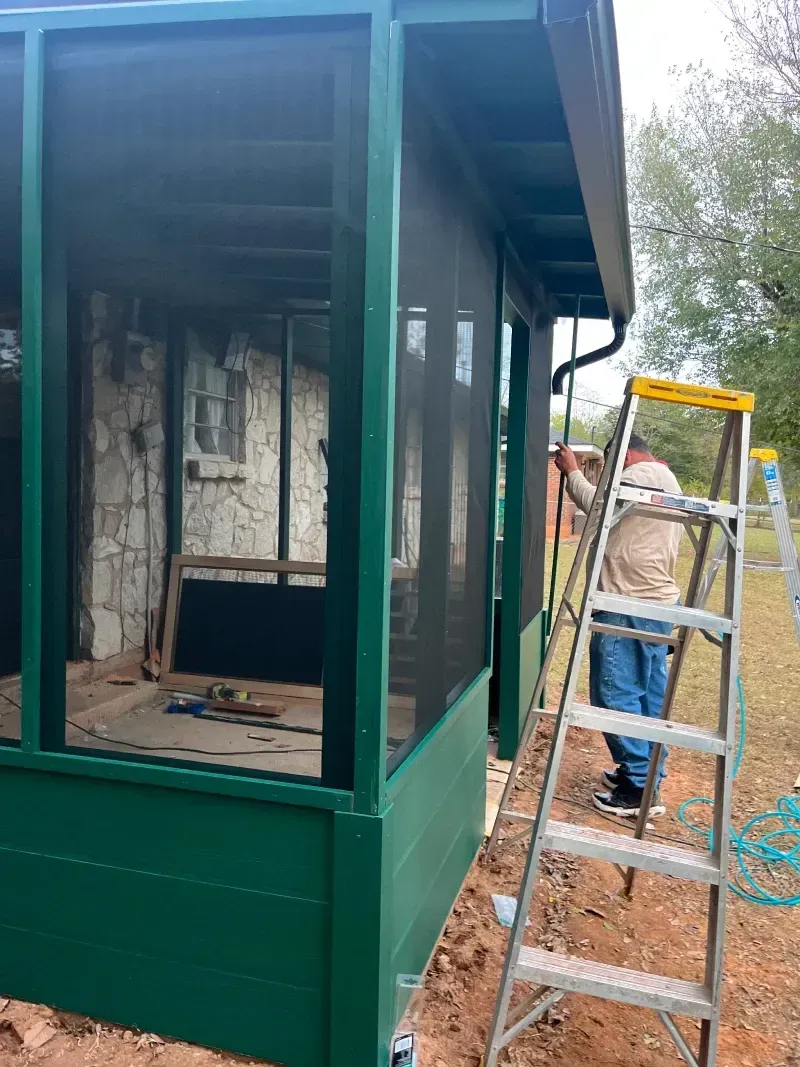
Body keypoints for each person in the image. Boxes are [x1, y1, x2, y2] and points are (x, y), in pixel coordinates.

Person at [553, 432, 683, 818]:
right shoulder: (663, 475)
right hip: (655, 603)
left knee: (614, 693)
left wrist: (573, 472)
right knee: (646, 693)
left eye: (611, 466)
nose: (610, 474)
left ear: (625, 455)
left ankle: (638, 789)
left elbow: (596, 508)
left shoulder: (641, 474)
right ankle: (644, 772)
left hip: (628, 601)